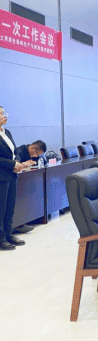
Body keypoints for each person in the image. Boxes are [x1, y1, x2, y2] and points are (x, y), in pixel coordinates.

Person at [0, 107, 34, 250]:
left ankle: (8, 234)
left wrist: (18, 162)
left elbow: (14, 152)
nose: (5, 116)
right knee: (1, 208)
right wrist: (13, 164)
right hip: (1, 176)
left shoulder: (6, 132)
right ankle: (1, 239)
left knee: (10, 207)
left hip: (11, 175)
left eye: (4, 113)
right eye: (1, 114)